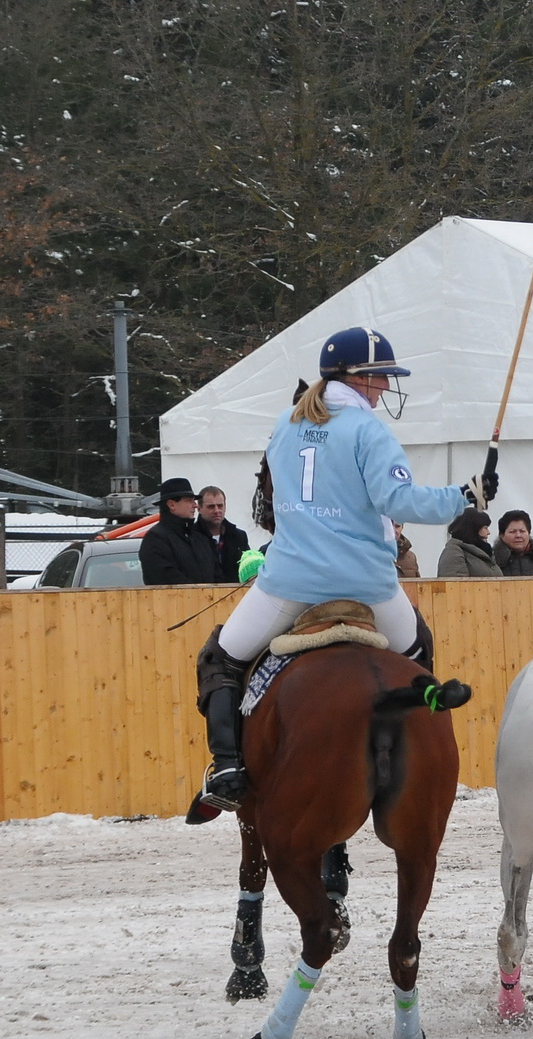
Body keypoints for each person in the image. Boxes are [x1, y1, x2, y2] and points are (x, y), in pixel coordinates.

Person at [190, 326, 495, 816]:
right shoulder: (368, 430)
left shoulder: (285, 424)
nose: (386, 387)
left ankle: (226, 766)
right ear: (359, 378)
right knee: (418, 649)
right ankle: (423, 737)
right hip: (366, 585)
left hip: (288, 583)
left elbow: (274, 500)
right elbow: (397, 500)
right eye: (383, 378)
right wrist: (465, 495)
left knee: (220, 659)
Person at [139, 477, 219, 585]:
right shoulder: (155, 539)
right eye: (189, 500)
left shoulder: (200, 537)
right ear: (171, 505)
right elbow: (166, 579)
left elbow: (217, 575)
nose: (195, 505)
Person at [194, 486, 251, 583]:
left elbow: (249, 568)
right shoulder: (191, 537)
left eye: (220, 506)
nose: (217, 511)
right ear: (199, 508)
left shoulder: (239, 536)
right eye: (211, 507)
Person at [437, 509, 504, 577]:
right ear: (474, 528)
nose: (488, 532)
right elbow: (454, 584)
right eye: (485, 528)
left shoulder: (486, 554)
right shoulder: (454, 552)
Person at [494, 510, 533, 576]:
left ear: (529, 533)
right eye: (512, 532)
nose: (518, 535)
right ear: (502, 535)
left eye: (522, 531)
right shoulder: (493, 563)